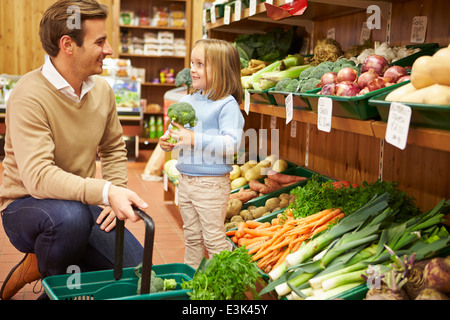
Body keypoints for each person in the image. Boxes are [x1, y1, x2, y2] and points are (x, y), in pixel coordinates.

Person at [0, 0, 148, 300]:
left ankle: (47, 261)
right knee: (69, 220)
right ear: (68, 44)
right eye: (100, 41)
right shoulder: (29, 95)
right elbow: (39, 178)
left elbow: (114, 147)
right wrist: (105, 192)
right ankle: (55, 282)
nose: (109, 50)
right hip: (25, 206)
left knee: (138, 274)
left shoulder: (102, 91)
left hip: (82, 205)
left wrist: (113, 195)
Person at [159, 39, 245, 269]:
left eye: (200, 64)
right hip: (185, 181)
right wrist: (167, 142)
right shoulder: (187, 100)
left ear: (220, 70)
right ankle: (193, 284)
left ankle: (228, 289)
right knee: (192, 238)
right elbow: (176, 133)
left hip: (211, 184)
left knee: (214, 240)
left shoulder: (226, 105)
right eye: (192, 63)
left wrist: (195, 139)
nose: (192, 70)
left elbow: (231, 143)